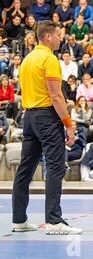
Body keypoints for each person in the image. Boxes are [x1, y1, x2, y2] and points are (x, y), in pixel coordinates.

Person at [12, 21, 82, 235]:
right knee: (55, 167)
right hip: (46, 117)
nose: (61, 39)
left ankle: (19, 220)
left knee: (25, 169)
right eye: (58, 35)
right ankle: (53, 221)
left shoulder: (26, 60)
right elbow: (55, 95)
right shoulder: (49, 59)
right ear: (48, 37)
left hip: (29, 117)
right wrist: (69, 125)